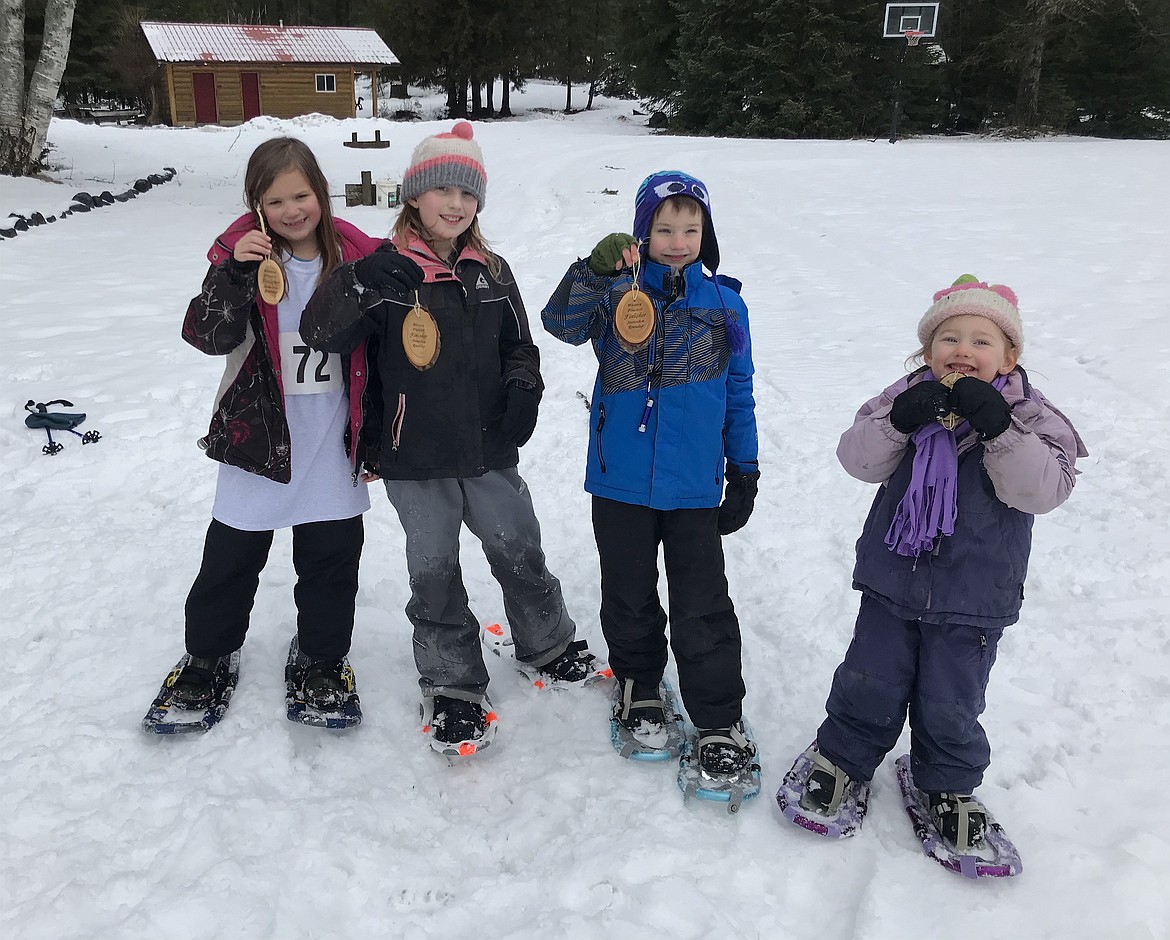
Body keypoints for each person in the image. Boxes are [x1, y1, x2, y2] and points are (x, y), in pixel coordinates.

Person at [301, 122, 601, 755]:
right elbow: (322, 331)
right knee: (433, 570)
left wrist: (525, 388)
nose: (455, 204)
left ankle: (545, 643)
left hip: (490, 448)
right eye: (441, 189)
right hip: (415, 456)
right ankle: (452, 682)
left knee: (519, 546)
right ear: (414, 195)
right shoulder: (382, 274)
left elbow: (521, 345)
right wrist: (358, 283)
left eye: (467, 194)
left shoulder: (492, 271)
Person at [778, 275, 1087, 850]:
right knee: (870, 678)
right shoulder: (906, 399)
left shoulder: (1032, 418)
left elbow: (1043, 491)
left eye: (981, 340)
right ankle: (843, 756)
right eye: (949, 338)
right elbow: (857, 460)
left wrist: (999, 428)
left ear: (1010, 355)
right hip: (895, 577)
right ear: (927, 350)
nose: (963, 351)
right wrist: (899, 421)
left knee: (953, 696)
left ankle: (946, 784)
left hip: (975, 592)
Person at [541, 170, 761, 790]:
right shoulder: (615, 292)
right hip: (622, 484)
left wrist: (743, 468)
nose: (677, 240)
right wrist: (593, 267)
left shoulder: (725, 304)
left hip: (694, 487)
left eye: (691, 229)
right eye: (664, 228)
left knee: (704, 603)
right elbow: (559, 322)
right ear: (642, 232)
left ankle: (718, 718)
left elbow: (739, 392)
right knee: (630, 591)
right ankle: (638, 682)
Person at [168, 136, 382, 716]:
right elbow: (206, 338)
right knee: (231, 558)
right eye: (276, 200)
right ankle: (207, 655)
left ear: (321, 192)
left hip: (333, 440)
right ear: (256, 204)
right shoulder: (241, 260)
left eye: (302, 195)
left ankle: (321, 658)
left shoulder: (359, 256)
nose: (293, 211)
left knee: (332, 559)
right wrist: (233, 275)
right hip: (258, 437)